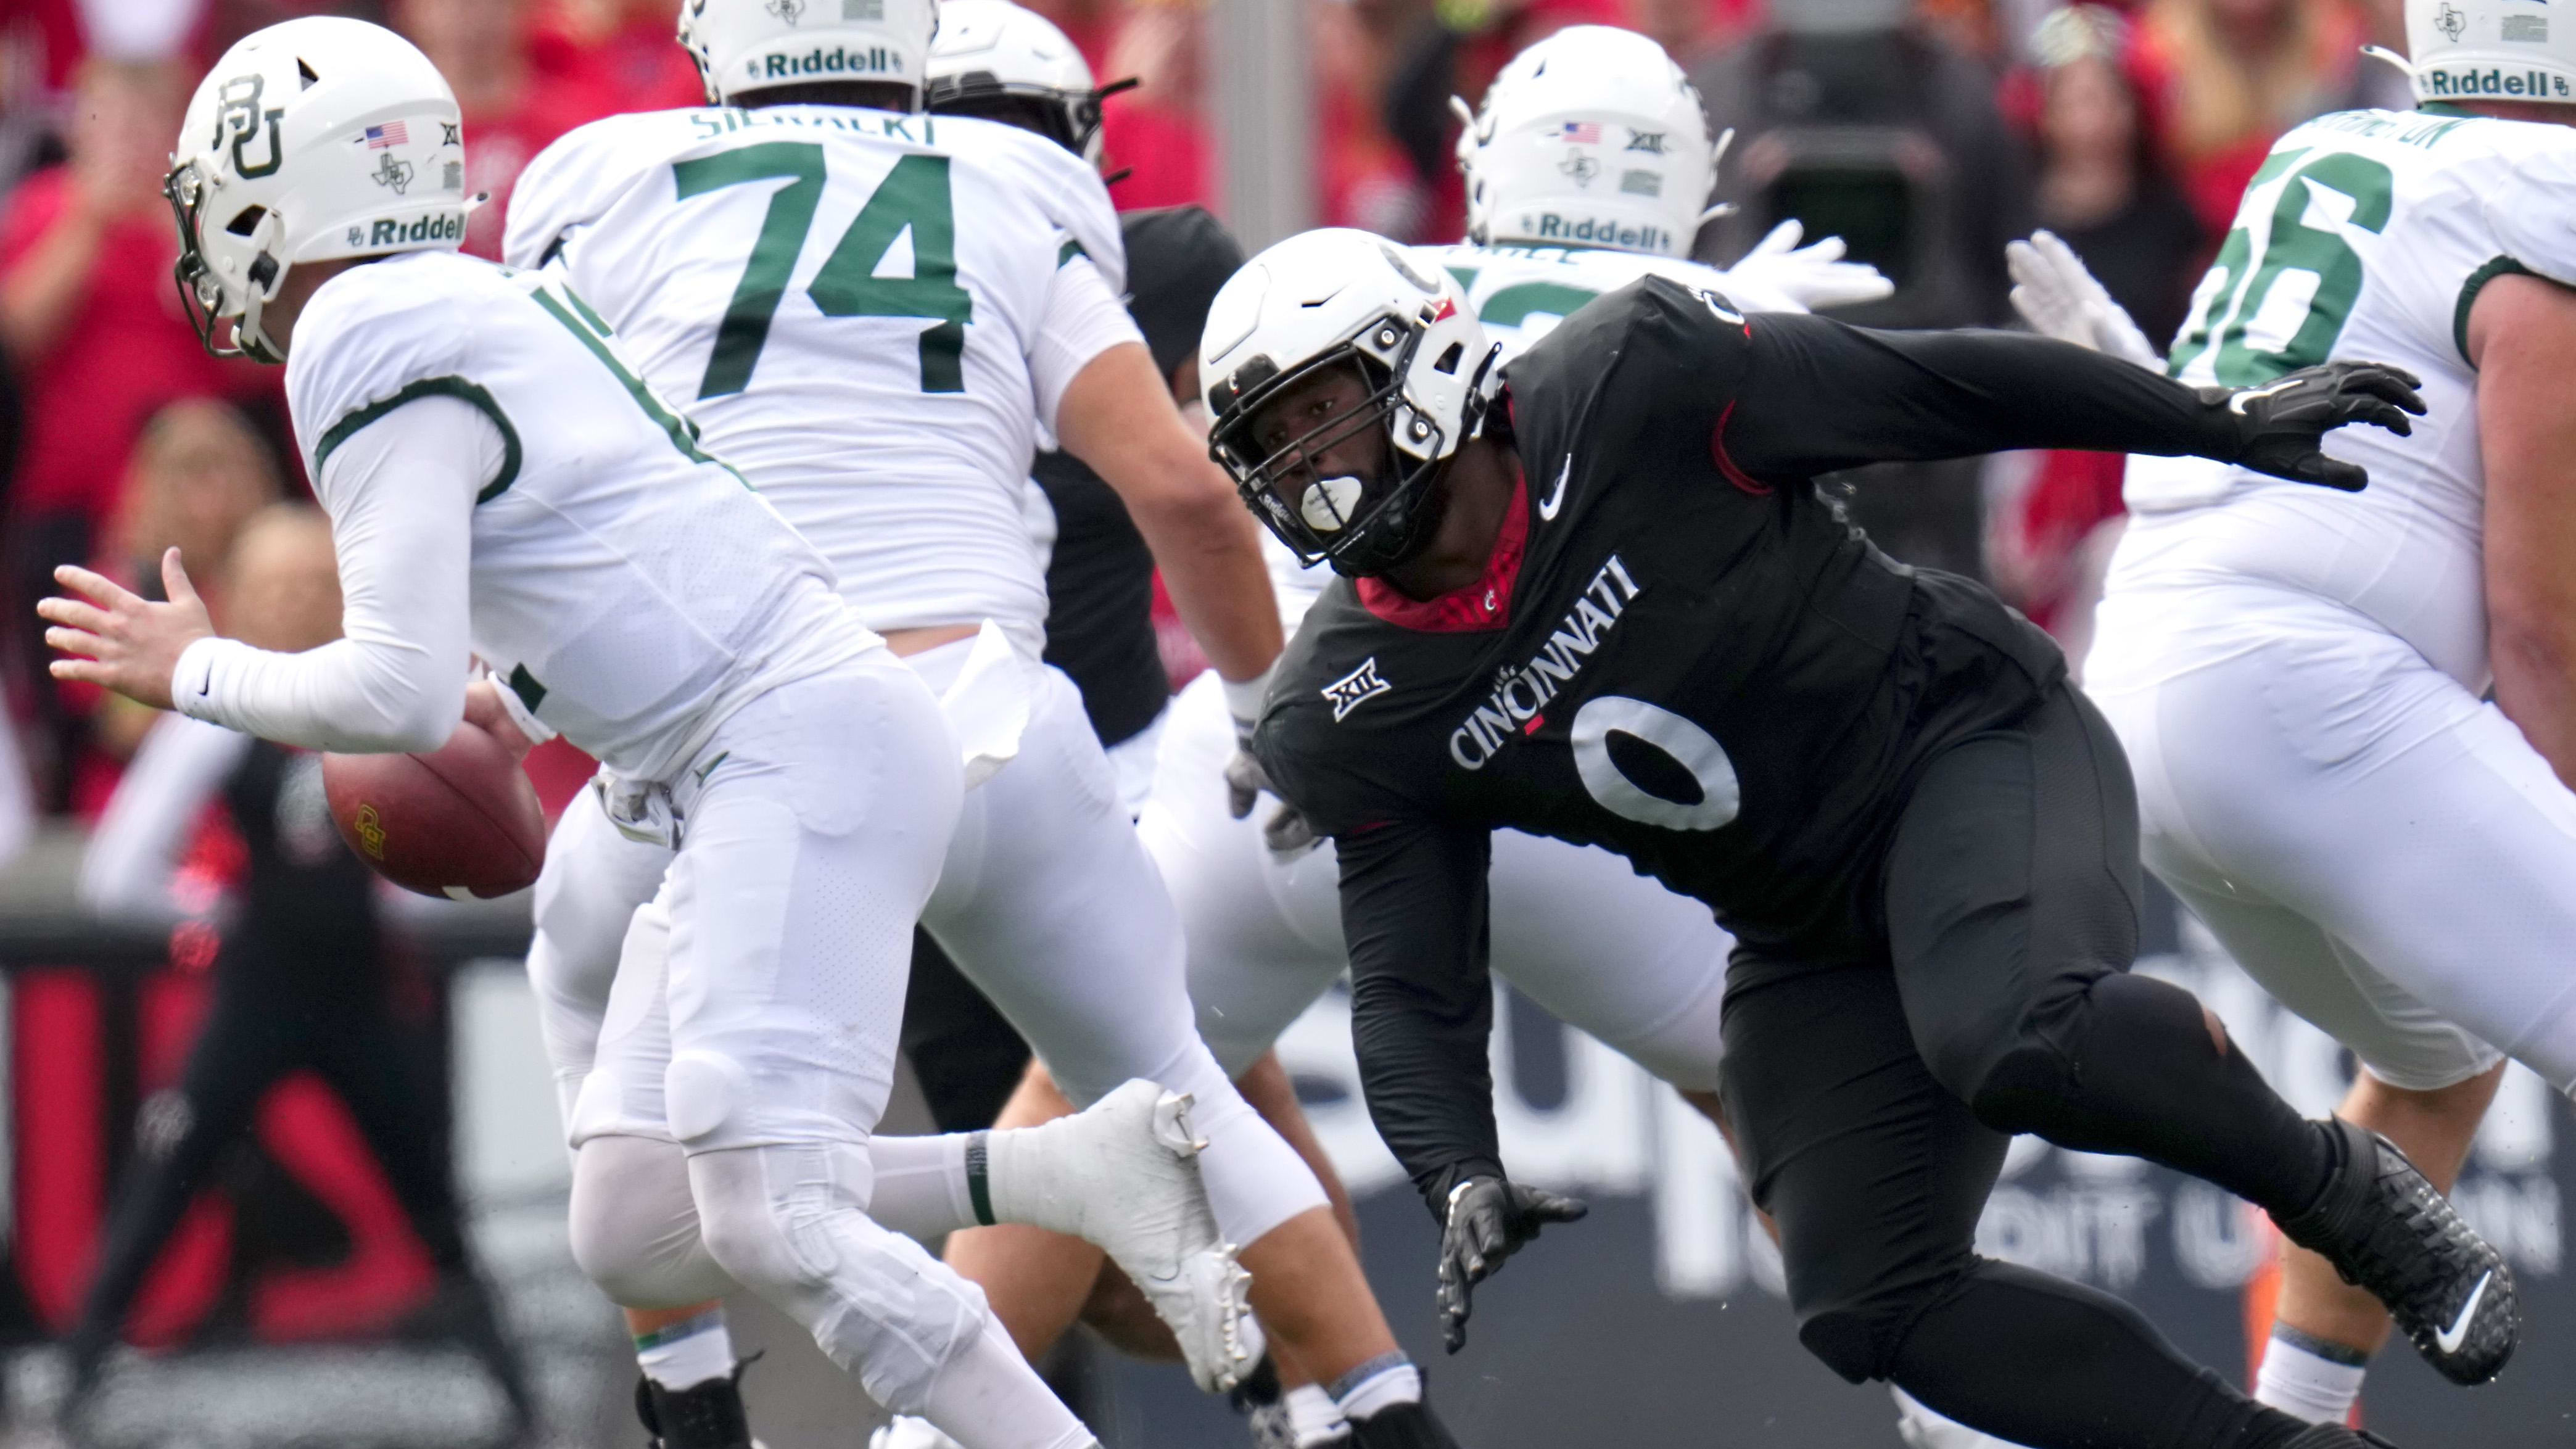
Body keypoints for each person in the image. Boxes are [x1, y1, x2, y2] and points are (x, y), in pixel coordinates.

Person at [38, 20, 1212, 1449]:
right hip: (738, 750)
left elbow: (395, 702)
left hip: (788, 743)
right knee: (637, 1217)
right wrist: (520, 692)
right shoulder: (465, 299)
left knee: (771, 1206)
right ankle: (1065, 1174)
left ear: (287, 189)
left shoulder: (361, 328)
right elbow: (630, 548)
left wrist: (199, 668)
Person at [1202, 215, 2500, 1449]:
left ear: (1421, 359)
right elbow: (1410, 973)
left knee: (2017, 1031)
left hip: (1967, 742)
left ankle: (2346, 1193)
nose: (1304, 463)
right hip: (1806, 922)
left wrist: (2207, 422)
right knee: (1864, 1294)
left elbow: (1938, 389)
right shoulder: (1347, 702)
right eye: (1270, 438)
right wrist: (1457, 1169)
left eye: (1321, 412)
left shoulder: (1635, 377)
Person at [502, 2, 1463, 1445]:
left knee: (657, 1107)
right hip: (1012, 730)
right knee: (1184, 1076)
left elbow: (543, 501)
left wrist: (497, 688)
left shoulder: (602, 178)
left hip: (757, 747)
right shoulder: (1012, 190)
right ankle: (1383, 1416)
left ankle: (695, 1392)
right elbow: (1191, 493)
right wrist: (1274, 718)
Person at [2047, 0, 2576, 1426]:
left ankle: (2295, 1418)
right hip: (2299, 688)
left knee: (2438, 1061)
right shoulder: (2548, 202)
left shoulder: (2334, 145)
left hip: (2153, 691)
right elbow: (2541, 628)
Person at [60, 505, 534, 1435]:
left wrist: (387, 901)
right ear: (242, 599)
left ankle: (517, 1392)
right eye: (278, 588)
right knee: (163, 1182)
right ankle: (78, 1370)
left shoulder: (384, 703)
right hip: (256, 992)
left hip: (359, 997)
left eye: (318, 586)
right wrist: (224, 918)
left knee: (434, 1201)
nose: (298, 604)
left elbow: (441, 856)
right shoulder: (212, 714)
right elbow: (116, 874)